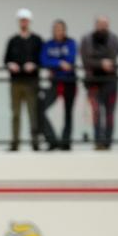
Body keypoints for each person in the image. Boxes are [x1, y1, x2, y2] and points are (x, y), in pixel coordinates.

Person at [4, 9, 44, 151]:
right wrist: (10, 64)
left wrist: (34, 65)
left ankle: (35, 142)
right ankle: (15, 142)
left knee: (32, 112)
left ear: (29, 21)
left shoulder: (37, 40)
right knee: (15, 113)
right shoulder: (13, 40)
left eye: (26, 20)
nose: (24, 22)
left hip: (31, 82)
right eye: (21, 20)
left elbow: (42, 60)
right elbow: (6, 59)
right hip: (16, 82)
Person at [81, 16, 118, 150]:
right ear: (96, 25)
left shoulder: (114, 39)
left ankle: (107, 141)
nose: (102, 26)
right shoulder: (87, 40)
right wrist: (101, 63)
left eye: (105, 24)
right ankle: (98, 140)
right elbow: (86, 60)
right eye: (100, 24)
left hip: (110, 81)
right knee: (96, 112)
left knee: (109, 112)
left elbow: (113, 58)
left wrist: (102, 62)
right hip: (93, 82)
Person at [40, 20, 78, 151]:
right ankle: (52, 140)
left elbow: (70, 60)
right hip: (54, 82)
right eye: (55, 28)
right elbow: (44, 60)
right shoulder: (48, 44)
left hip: (69, 82)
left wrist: (56, 64)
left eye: (60, 28)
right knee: (40, 108)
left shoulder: (71, 43)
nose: (58, 30)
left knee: (68, 113)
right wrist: (59, 64)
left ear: (64, 30)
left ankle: (65, 141)